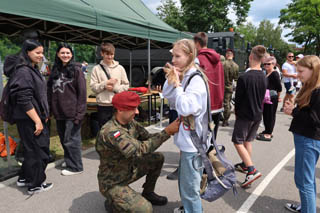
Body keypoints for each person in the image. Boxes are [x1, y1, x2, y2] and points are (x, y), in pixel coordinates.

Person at [96, 91, 179, 213]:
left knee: (157, 158)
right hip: (112, 182)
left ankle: (148, 193)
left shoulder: (130, 123)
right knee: (145, 209)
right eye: (133, 108)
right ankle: (113, 204)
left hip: (128, 170)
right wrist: (167, 132)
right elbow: (139, 150)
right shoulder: (111, 132)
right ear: (120, 110)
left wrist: (172, 129)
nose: (137, 112)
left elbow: (148, 138)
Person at [163, 39, 210, 213]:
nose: (173, 60)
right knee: (186, 184)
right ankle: (188, 209)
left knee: (190, 189)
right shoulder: (187, 74)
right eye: (173, 56)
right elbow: (166, 95)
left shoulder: (195, 79)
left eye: (177, 56)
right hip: (189, 142)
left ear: (189, 56)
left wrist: (177, 85)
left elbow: (184, 107)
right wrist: (172, 79)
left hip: (193, 144)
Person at [9, 39, 52, 194]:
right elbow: (24, 99)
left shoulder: (31, 68)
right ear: (27, 52)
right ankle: (35, 184)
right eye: (37, 52)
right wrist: (37, 120)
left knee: (31, 150)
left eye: (42, 52)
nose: (41, 55)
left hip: (33, 118)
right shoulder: (24, 71)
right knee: (38, 152)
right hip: (30, 120)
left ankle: (24, 178)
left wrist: (44, 114)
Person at [284, 55, 320, 213]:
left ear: (313, 70)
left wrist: (294, 111)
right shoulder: (310, 87)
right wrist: (293, 111)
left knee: (304, 182)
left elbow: (315, 120)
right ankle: (306, 207)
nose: (297, 74)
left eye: (301, 71)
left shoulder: (317, 91)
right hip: (306, 139)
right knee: (306, 180)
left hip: (309, 140)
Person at [47, 43, 87, 176]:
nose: (65, 55)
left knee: (72, 140)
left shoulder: (77, 70)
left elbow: (82, 93)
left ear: (72, 55)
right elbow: (50, 91)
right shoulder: (55, 69)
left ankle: (76, 167)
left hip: (72, 112)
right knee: (64, 139)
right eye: (62, 53)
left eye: (68, 53)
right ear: (58, 54)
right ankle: (70, 159)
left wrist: (80, 113)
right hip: (59, 112)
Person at [232, 45, 267, 188]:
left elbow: (238, 99)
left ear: (251, 57)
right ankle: (247, 166)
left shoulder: (244, 77)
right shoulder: (264, 76)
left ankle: (251, 169)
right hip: (257, 113)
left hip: (245, 114)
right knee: (248, 141)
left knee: (237, 141)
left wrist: (236, 111)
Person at [90, 42, 129, 128]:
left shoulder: (120, 68)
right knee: (104, 130)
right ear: (102, 54)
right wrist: (105, 85)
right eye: (107, 54)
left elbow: (126, 86)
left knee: (119, 130)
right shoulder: (96, 69)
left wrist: (115, 88)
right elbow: (93, 87)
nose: (110, 57)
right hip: (103, 105)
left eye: (112, 54)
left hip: (118, 105)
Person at [193, 32, 224, 139]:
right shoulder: (218, 59)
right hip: (218, 101)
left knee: (202, 135)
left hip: (205, 103)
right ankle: (211, 152)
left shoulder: (198, 60)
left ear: (197, 43)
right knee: (213, 136)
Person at [256, 56, 282, 141]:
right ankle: (267, 130)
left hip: (272, 97)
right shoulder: (266, 73)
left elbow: (279, 87)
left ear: (274, 64)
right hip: (266, 97)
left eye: (269, 64)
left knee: (270, 115)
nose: (266, 65)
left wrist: (278, 97)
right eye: (265, 64)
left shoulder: (274, 73)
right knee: (266, 114)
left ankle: (269, 133)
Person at [222, 49, 239, 127]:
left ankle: (221, 118)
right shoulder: (236, 66)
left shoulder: (222, 64)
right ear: (233, 56)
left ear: (226, 55)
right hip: (229, 87)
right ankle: (225, 120)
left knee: (220, 103)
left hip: (221, 86)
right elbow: (236, 78)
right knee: (227, 103)